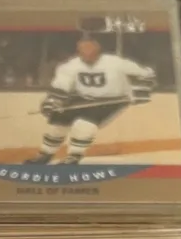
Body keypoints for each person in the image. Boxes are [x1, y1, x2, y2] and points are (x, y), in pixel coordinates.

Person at [25, 36, 155, 165]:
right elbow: (60, 87)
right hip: (83, 99)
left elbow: (145, 74)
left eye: (90, 52)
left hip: (112, 100)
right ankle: (45, 154)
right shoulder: (70, 66)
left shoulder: (116, 63)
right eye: (83, 52)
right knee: (58, 122)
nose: (87, 55)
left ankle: (74, 157)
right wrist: (52, 102)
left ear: (98, 50)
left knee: (84, 125)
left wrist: (140, 90)